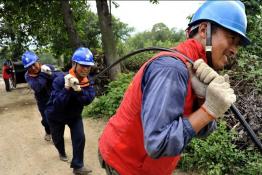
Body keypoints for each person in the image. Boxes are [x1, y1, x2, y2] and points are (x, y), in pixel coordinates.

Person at [98, 1, 250, 175]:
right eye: (232, 38)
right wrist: (208, 110)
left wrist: (202, 100)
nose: (234, 50)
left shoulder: (198, 70)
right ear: (204, 31)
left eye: (238, 44)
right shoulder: (172, 69)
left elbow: (201, 131)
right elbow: (157, 144)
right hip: (125, 165)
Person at [45, 47, 95, 175]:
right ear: (74, 64)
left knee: (80, 138)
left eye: (88, 66)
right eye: (83, 65)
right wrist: (67, 88)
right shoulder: (60, 80)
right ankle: (61, 152)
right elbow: (57, 105)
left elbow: (88, 100)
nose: (86, 69)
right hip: (55, 116)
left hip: (74, 115)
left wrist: (79, 91)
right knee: (57, 139)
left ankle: (78, 166)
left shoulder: (88, 81)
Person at [22, 51, 62, 141]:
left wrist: (51, 74)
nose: (32, 68)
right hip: (42, 101)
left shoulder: (49, 67)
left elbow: (60, 77)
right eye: (29, 67)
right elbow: (37, 86)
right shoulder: (28, 76)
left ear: (38, 61)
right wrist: (44, 74)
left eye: (34, 64)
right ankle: (48, 131)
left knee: (57, 118)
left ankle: (57, 136)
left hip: (54, 97)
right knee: (46, 120)